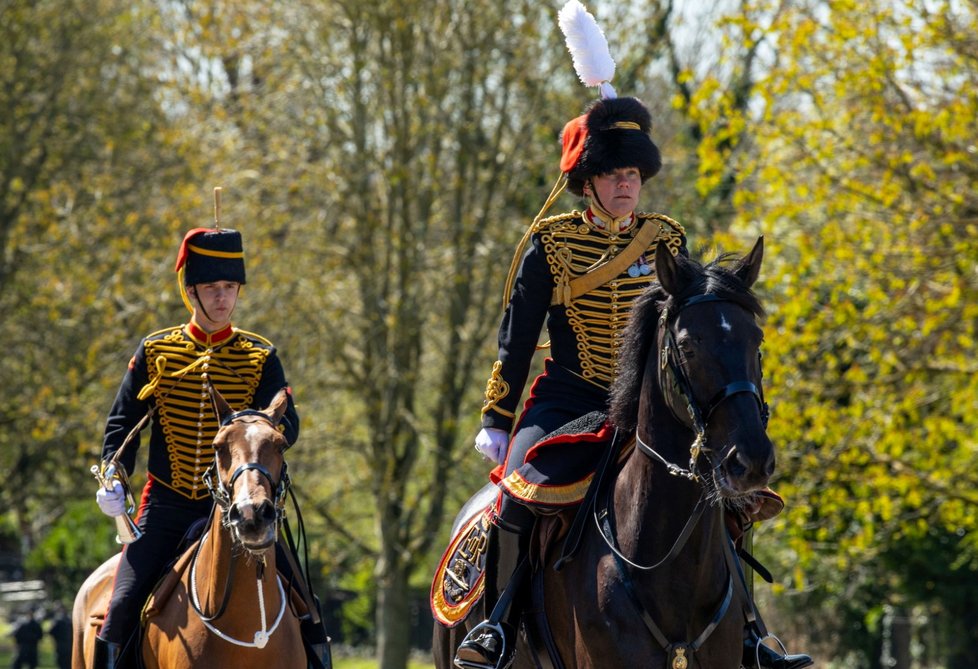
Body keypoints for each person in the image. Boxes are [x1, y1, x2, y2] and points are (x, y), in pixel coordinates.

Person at [454, 94, 811, 669]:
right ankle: (497, 626)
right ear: (588, 181)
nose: (626, 186)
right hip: (568, 398)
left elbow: (689, 329)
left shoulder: (667, 239)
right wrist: (497, 420)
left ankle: (750, 631)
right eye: (614, 174)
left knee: (724, 499)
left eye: (634, 174)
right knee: (514, 498)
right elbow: (514, 341)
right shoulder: (550, 245)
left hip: (650, 404)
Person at [92, 224, 327, 669]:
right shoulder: (156, 350)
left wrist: (258, 428)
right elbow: (121, 427)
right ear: (190, 292)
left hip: (243, 502)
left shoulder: (261, 356)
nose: (222, 298)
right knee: (120, 610)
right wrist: (113, 479)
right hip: (167, 504)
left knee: (309, 612)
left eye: (230, 287)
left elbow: (288, 425)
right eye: (211, 288)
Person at [47, 604, 72, 669]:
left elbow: (50, 631)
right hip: (70, 646)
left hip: (60, 646)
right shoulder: (71, 619)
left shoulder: (57, 620)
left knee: (62, 664)